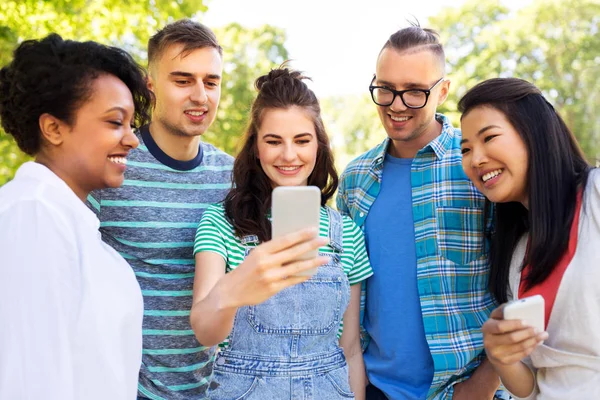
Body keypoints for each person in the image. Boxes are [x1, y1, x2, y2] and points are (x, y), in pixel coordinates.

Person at [337, 25, 503, 399]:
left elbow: (521, 281)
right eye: (386, 89)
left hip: (465, 389)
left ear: (442, 91)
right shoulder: (355, 179)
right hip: (375, 388)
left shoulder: (478, 167)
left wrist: (484, 384)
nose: (396, 105)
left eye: (414, 91)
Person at [191, 67, 373, 400]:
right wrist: (237, 286)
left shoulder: (346, 232)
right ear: (256, 148)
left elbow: (350, 348)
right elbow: (204, 331)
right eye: (273, 141)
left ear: (318, 145)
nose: (288, 155)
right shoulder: (220, 222)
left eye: (302, 141)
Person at [87, 20, 233, 399]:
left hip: (213, 389)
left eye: (211, 82)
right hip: (125, 387)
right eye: (183, 80)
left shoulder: (232, 177)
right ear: (151, 86)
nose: (200, 96)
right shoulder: (112, 166)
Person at [0, 33, 152, 399]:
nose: (132, 139)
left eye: (132, 125)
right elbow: (29, 382)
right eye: (116, 123)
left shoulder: (68, 221)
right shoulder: (32, 215)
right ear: (53, 128)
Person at [459, 77, 599, 399]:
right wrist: (500, 356)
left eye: (489, 137)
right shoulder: (517, 255)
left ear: (534, 132)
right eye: (466, 149)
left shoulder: (595, 196)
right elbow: (531, 385)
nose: (475, 159)